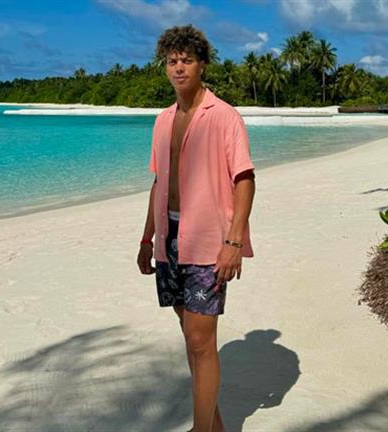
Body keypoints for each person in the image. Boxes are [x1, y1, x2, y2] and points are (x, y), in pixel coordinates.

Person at [137, 24, 256, 432]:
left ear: (202, 64)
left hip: (208, 243)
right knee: (192, 338)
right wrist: (147, 237)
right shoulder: (163, 120)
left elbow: (244, 179)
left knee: (202, 342)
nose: (178, 68)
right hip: (169, 242)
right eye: (172, 61)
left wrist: (234, 241)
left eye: (186, 60)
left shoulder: (223, 117)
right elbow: (159, 182)